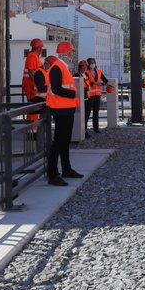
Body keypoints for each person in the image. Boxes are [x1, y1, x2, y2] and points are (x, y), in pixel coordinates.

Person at [45, 41, 82, 185]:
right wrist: (72, 94)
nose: (72, 55)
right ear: (66, 53)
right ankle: (53, 174)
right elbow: (56, 89)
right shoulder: (57, 67)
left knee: (65, 141)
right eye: (71, 52)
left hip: (66, 109)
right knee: (59, 142)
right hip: (60, 109)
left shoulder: (62, 67)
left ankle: (66, 169)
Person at [84, 57, 111, 133]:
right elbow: (86, 82)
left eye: (94, 62)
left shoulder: (98, 71)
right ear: (88, 64)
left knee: (96, 112)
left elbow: (105, 80)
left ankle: (96, 128)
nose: (93, 64)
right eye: (91, 63)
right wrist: (94, 83)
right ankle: (84, 129)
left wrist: (103, 83)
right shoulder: (86, 72)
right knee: (87, 112)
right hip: (90, 95)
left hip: (97, 94)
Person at [22, 38, 44, 122]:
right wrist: (37, 85)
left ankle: (32, 129)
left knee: (34, 107)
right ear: (38, 48)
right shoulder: (32, 57)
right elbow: (31, 72)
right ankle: (32, 131)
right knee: (33, 107)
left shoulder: (34, 57)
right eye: (41, 48)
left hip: (32, 86)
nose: (42, 50)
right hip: (31, 87)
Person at [77, 59, 90, 138]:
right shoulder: (76, 75)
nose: (85, 68)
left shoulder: (86, 75)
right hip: (81, 99)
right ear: (80, 67)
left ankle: (85, 130)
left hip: (86, 98)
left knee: (86, 116)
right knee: (82, 117)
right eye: (84, 67)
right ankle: (82, 132)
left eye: (86, 67)